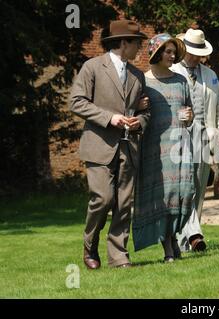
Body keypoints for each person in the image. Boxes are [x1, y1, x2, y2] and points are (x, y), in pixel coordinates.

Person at [70, 20, 150, 269]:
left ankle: (118, 257)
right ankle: (89, 245)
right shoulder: (92, 67)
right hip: (99, 146)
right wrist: (109, 118)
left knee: (124, 203)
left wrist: (140, 121)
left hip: (129, 146)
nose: (139, 47)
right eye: (137, 42)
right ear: (123, 43)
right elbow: (77, 102)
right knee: (103, 199)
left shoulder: (137, 75)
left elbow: (145, 111)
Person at [133, 33, 195, 263]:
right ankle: (168, 246)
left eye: (173, 52)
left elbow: (190, 114)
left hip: (180, 145)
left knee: (185, 193)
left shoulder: (181, 81)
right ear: (157, 53)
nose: (172, 56)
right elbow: (134, 112)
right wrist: (138, 106)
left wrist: (189, 117)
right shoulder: (144, 81)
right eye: (167, 52)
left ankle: (173, 237)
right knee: (164, 196)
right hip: (154, 147)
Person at [171, 28, 219, 252]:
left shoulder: (210, 75)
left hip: (204, 138)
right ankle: (195, 235)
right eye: (192, 51)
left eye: (199, 52)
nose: (196, 57)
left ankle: (185, 241)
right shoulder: (171, 70)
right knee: (184, 188)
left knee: (198, 189)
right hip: (177, 138)